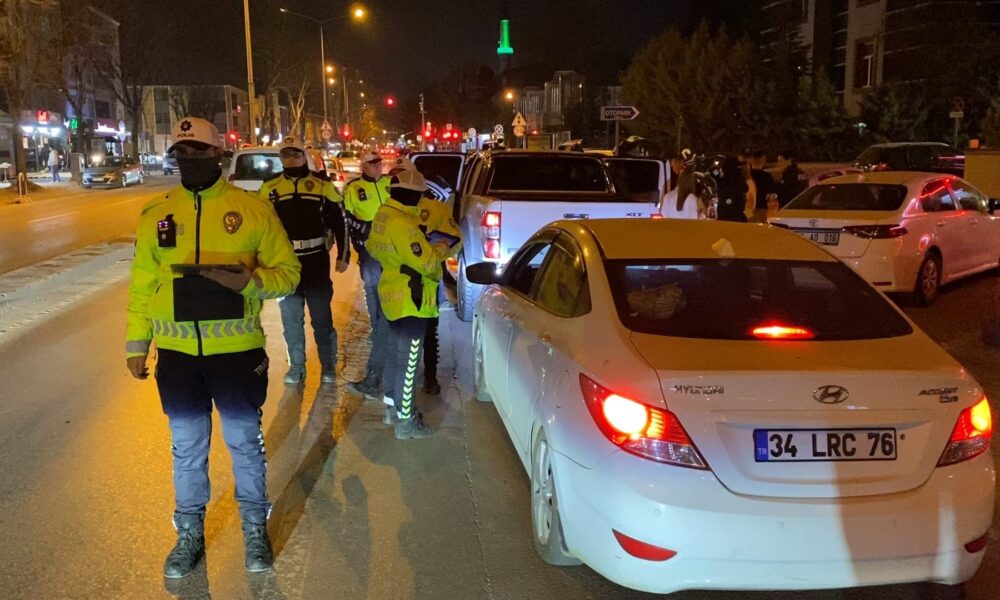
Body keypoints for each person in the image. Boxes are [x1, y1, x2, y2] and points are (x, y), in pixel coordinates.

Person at [125, 117, 300, 579]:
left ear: (218, 156)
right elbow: (142, 285)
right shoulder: (157, 214)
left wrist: (251, 283)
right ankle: (188, 534)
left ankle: (254, 528)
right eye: (181, 153)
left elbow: (289, 275)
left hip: (237, 353)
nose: (189, 160)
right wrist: (137, 344)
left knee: (244, 443)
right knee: (186, 448)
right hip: (177, 356)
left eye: (198, 152)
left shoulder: (253, 211)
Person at [366, 168, 451, 438]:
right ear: (413, 195)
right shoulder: (403, 224)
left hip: (392, 294)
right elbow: (426, 263)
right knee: (409, 362)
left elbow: (372, 247)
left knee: (395, 356)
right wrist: (441, 247)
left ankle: (392, 410)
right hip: (412, 299)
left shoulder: (383, 215)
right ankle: (406, 422)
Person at [259, 134, 349, 385]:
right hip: (285, 264)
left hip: (316, 262)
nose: (290, 159)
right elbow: (260, 227)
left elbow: (340, 220)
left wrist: (343, 255)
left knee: (322, 319)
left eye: (295, 154)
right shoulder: (269, 188)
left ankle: (328, 366)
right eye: (285, 155)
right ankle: (297, 367)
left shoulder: (321, 185)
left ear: (304, 156)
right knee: (291, 321)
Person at [387, 157, 463, 396]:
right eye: (395, 174)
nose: (399, 179)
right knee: (397, 339)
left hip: (426, 283)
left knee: (429, 331)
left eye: (402, 173)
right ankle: (398, 386)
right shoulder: (389, 209)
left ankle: (429, 376)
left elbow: (455, 240)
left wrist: (435, 254)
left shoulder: (434, 208)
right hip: (396, 283)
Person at [343, 150, 392, 399]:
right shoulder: (354, 188)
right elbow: (346, 217)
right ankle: (377, 325)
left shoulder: (389, 183)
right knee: (372, 289)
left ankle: (385, 327)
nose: (377, 166)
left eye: (379, 162)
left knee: (389, 289)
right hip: (370, 249)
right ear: (363, 166)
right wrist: (362, 231)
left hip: (392, 248)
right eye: (372, 163)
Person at [713, 155, 750, 222]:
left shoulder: (724, 180)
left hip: (725, 213)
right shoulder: (739, 179)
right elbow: (746, 188)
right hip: (737, 214)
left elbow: (714, 172)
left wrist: (715, 168)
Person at [750, 150, 778, 222]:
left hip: (748, 209)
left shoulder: (747, 175)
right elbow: (772, 194)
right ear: (763, 160)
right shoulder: (767, 177)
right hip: (761, 208)